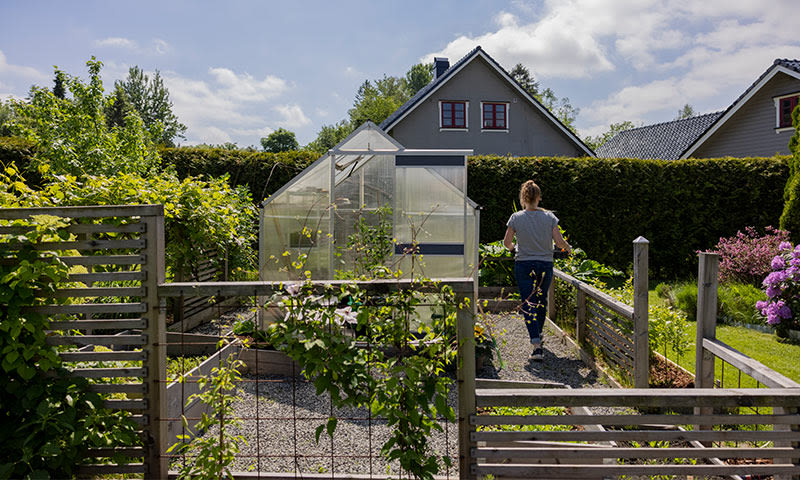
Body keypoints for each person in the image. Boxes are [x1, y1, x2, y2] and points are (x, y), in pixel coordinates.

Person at [503, 180, 571, 361]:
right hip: (544, 264)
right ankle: (538, 335)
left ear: (523, 198)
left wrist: (513, 249)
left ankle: (536, 344)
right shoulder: (549, 218)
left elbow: (507, 242)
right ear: (539, 197)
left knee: (528, 302)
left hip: (523, 264)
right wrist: (568, 247)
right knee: (541, 301)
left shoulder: (516, 218)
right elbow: (559, 242)